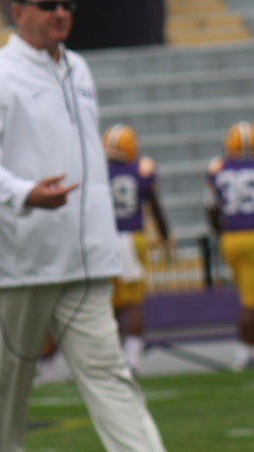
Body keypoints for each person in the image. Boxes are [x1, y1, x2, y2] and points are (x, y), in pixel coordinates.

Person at [0, 0, 166, 452]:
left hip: (83, 262)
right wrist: (25, 193)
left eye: (65, 4)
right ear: (18, 12)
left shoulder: (78, 67)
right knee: (0, 392)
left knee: (112, 378)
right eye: (48, 4)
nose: (59, 13)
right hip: (15, 266)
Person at [204, 121, 254, 369]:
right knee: (253, 302)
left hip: (229, 237)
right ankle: (244, 352)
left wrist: (222, 234)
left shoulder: (217, 168)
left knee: (248, 298)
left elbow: (210, 209)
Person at [102, 123, 173, 374]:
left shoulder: (96, 170)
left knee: (109, 305)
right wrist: (165, 236)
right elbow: (155, 206)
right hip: (132, 238)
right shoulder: (140, 170)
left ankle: (113, 357)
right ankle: (131, 359)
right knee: (133, 303)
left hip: (103, 239)